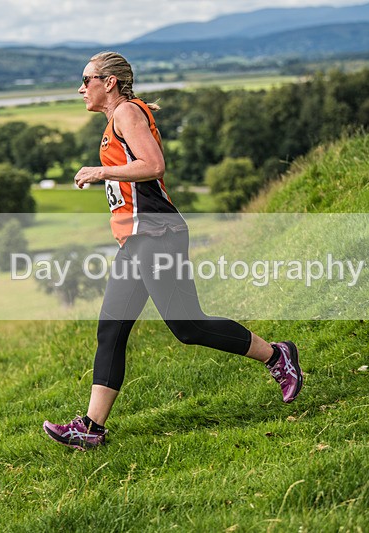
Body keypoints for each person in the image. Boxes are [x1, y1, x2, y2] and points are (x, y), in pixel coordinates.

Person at [43, 51, 302, 450]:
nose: (81, 88)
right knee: (111, 329)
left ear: (108, 82)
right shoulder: (115, 121)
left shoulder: (128, 112)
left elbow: (154, 165)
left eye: (87, 79)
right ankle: (90, 429)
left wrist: (101, 171)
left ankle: (277, 356)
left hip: (158, 234)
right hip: (137, 239)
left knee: (189, 326)